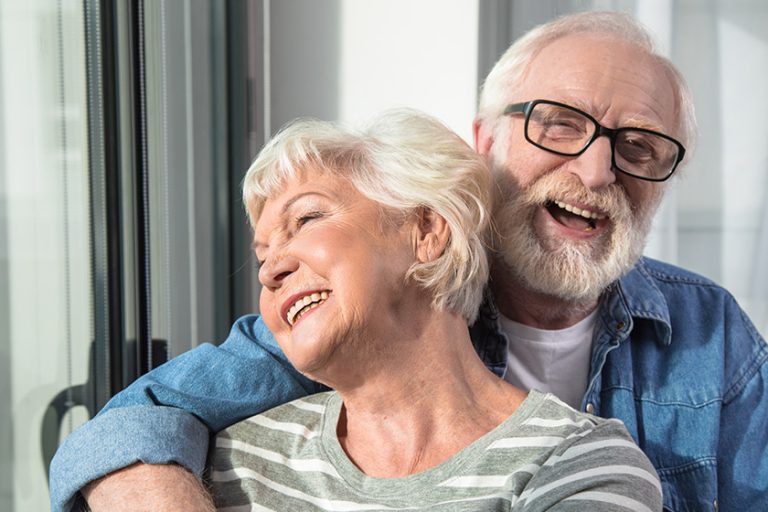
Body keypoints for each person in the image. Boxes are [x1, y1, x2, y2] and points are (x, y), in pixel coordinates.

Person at [50, 11, 768, 512]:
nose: (597, 169)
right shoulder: (367, 306)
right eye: (560, 123)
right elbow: (130, 426)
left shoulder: (713, 333)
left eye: (639, 147)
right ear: (483, 140)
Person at [207, 110, 661, 510]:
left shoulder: (577, 462)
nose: (271, 271)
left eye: (306, 220)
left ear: (427, 229)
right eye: (263, 256)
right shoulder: (230, 462)